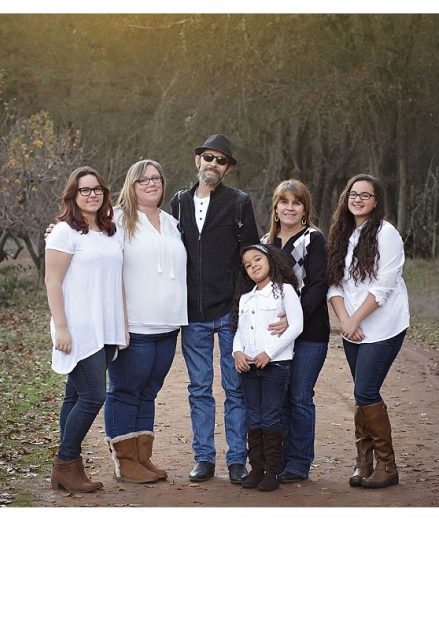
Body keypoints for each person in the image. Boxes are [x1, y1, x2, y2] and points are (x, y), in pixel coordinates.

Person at [170, 134, 260, 484]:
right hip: (192, 314)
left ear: (228, 168)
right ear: (198, 161)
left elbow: (252, 255)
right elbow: (149, 234)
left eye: (221, 160)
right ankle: (203, 458)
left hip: (230, 313)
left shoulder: (239, 202)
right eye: (208, 157)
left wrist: (246, 305)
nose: (213, 164)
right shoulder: (177, 202)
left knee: (236, 389)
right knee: (199, 389)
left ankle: (237, 460)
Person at [102, 160, 188, 484]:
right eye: (143, 180)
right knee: (125, 391)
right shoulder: (118, 221)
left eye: (156, 178)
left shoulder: (171, 222)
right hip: (134, 327)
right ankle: (125, 462)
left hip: (168, 326)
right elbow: (101, 260)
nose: (151, 184)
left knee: (149, 392)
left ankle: (142, 457)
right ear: (131, 185)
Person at [45, 166, 128, 493]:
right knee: (93, 396)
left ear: (105, 194)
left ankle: (68, 469)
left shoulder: (111, 230)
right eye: (84, 190)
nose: (92, 194)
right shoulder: (64, 232)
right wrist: (61, 328)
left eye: (97, 189)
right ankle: (66, 461)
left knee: (75, 395)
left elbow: (116, 279)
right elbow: (52, 281)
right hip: (78, 326)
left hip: (105, 326)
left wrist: (121, 325)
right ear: (73, 196)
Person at [326, 174, 410, 489]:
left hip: (383, 325)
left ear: (376, 202)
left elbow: (384, 286)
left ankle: (388, 467)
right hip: (353, 327)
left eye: (365, 195)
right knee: (362, 392)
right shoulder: (341, 232)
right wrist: (345, 319)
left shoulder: (387, 234)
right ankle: (364, 463)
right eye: (353, 193)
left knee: (365, 392)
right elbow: (333, 282)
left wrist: (353, 320)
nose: (358, 199)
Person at [261, 179, 329, 483]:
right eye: (284, 202)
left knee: (300, 396)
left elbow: (318, 285)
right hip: (276, 336)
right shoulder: (266, 243)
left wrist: (294, 317)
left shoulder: (313, 240)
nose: (290, 207)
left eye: (296, 202)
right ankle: (281, 458)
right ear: (275, 207)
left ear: (305, 209)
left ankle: (299, 462)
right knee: (280, 397)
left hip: (309, 333)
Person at [232, 244, 303, 491]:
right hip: (249, 368)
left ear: (271, 260)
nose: (253, 266)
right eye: (248, 265)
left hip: (276, 365)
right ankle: (257, 469)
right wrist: (237, 352)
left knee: (271, 417)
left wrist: (269, 353)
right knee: (254, 417)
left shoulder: (285, 292)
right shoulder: (245, 298)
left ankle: (272, 472)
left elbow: (296, 326)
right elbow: (240, 330)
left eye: (257, 259)